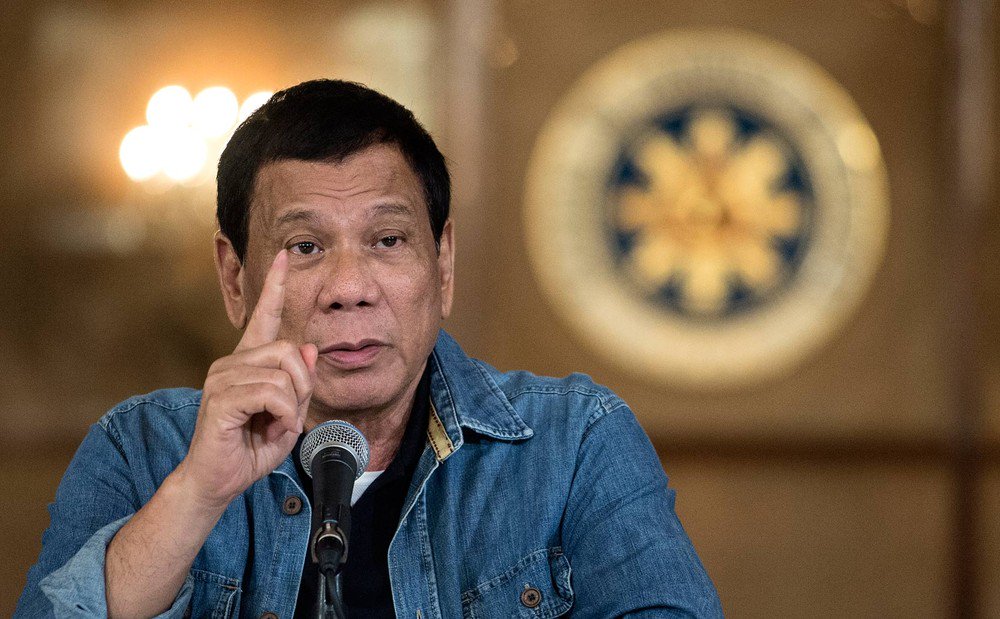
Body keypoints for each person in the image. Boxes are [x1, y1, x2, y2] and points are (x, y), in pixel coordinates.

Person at [16, 79, 722, 618]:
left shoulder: (575, 443)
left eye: (388, 240)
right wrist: (199, 492)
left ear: (443, 263)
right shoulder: (140, 449)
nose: (349, 288)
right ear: (234, 278)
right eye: (305, 246)